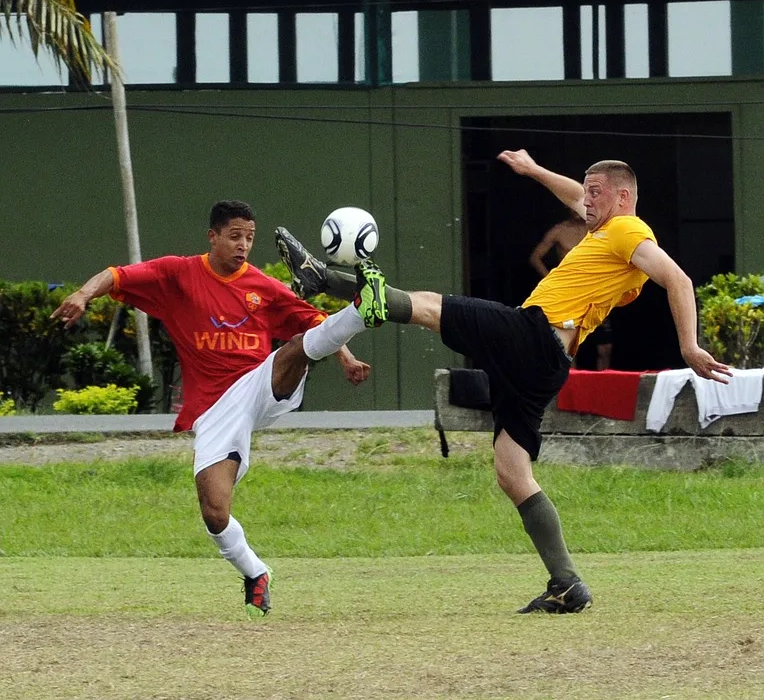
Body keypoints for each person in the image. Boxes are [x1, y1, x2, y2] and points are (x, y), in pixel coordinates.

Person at [274, 150, 731, 614]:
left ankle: (328, 279)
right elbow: (574, 194)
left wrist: (689, 347)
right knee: (513, 473)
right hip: (545, 362)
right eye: (586, 190)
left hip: (534, 336)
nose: (585, 199)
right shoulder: (605, 227)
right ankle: (567, 583)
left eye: (596, 192)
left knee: (431, 305)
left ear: (623, 196)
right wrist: (534, 171)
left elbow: (678, 278)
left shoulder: (629, 230)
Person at [51, 200, 386, 617]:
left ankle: (359, 311)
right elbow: (116, 275)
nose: (243, 245)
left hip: (258, 384)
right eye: (235, 236)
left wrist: (347, 359)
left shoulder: (261, 286)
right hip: (215, 410)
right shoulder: (178, 274)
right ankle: (256, 572)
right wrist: (84, 293)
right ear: (213, 237)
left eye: (249, 237)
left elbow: (311, 319)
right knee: (214, 511)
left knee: (296, 348)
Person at [528, 208, 613, 370]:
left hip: (595, 292)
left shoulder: (597, 229)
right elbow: (535, 257)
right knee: (570, 344)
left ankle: (604, 385)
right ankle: (573, 387)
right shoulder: (559, 230)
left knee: (604, 347)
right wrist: (552, 279)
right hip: (570, 293)